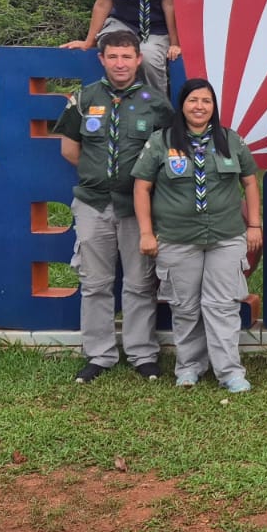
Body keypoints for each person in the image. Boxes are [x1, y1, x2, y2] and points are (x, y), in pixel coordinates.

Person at [53, 32, 174, 384]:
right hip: (93, 203)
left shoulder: (156, 102)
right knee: (95, 282)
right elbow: (69, 150)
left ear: (138, 60)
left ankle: (142, 354)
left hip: (139, 209)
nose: (120, 63)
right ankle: (100, 354)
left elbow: (168, 154)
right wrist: (100, 177)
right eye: (113, 57)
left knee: (139, 281)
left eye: (127, 56)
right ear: (102, 59)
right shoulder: (84, 98)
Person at [131, 78, 261, 392]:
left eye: (206, 101)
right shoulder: (161, 141)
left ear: (213, 106)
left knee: (223, 306)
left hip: (225, 236)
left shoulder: (230, 139)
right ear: (182, 105)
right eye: (193, 100)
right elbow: (142, 186)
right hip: (177, 238)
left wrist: (254, 225)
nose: (199, 107)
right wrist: (146, 232)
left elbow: (250, 181)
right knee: (185, 307)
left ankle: (230, 372)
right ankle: (188, 367)